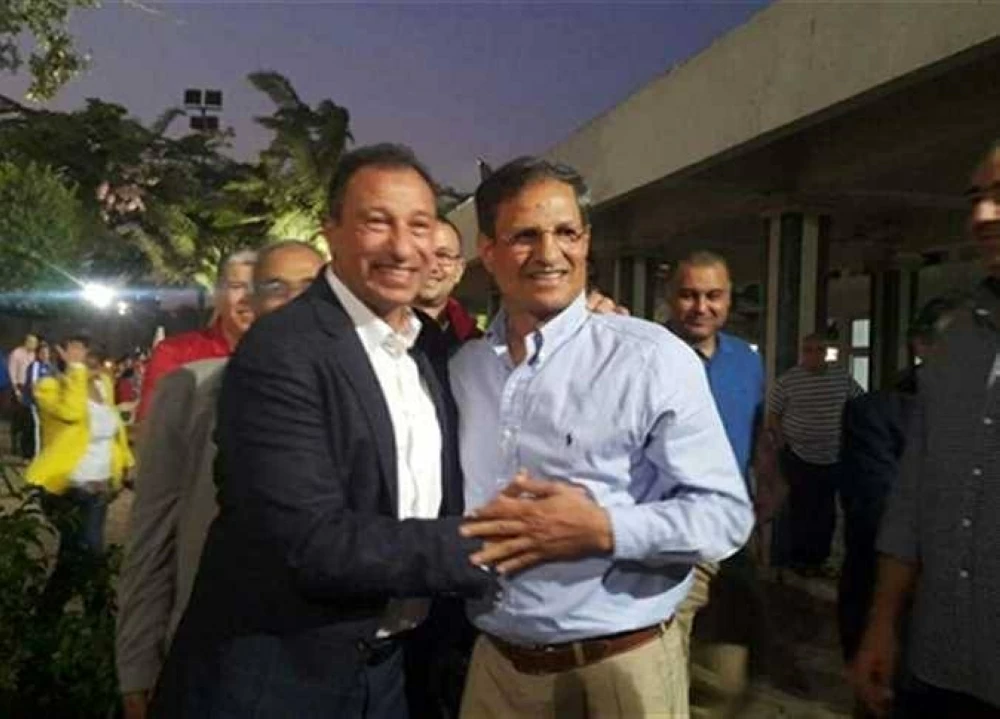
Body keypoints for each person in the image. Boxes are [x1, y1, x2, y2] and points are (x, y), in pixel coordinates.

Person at [150, 144, 494, 718]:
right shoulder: (283, 349)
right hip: (280, 682)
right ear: (330, 231)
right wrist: (496, 545)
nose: (402, 247)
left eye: (419, 225)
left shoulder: (428, 350)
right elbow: (314, 543)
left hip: (390, 676)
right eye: (377, 222)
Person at [453, 157, 753, 718]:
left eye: (566, 232)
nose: (549, 253)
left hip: (620, 668)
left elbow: (726, 518)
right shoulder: (464, 369)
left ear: (587, 242)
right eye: (525, 235)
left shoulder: (650, 358)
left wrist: (604, 529)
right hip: (497, 669)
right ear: (488, 251)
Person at [116, 240, 324, 719]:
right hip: (214, 653)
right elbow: (152, 534)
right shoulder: (192, 386)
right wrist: (137, 663)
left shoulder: (368, 389)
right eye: (275, 287)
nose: (293, 300)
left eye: (309, 287)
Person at [852, 143, 1000, 719]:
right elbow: (912, 500)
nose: (982, 215)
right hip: (939, 670)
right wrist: (883, 624)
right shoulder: (955, 342)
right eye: (977, 198)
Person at [665, 251, 779, 718]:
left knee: (727, 677)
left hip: (729, 538)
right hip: (666, 538)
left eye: (713, 295)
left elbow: (758, 433)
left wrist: (769, 483)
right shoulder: (646, 354)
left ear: (730, 300)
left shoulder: (747, 362)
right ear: (669, 298)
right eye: (689, 295)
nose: (701, 307)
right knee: (663, 671)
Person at [26, 336, 134, 614]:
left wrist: (124, 465)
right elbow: (72, 413)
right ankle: (98, 615)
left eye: (93, 357)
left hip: (99, 489)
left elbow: (114, 431)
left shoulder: (104, 385)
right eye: (83, 358)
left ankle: (46, 615)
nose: (92, 364)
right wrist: (75, 372)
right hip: (66, 487)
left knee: (73, 556)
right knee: (90, 552)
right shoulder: (49, 387)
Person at [767, 333, 863, 576]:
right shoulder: (789, 381)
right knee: (801, 509)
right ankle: (799, 559)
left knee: (826, 511)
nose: (814, 355)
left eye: (819, 350)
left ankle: (820, 558)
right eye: (808, 350)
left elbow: (861, 404)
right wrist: (783, 443)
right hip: (799, 455)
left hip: (833, 456)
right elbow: (773, 414)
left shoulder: (841, 378)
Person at [134, 249, 256, 422]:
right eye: (237, 287)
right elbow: (153, 428)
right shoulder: (177, 354)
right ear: (218, 294)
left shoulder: (289, 355)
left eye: (259, 288)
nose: (249, 297)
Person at [413, 216, 481, 352]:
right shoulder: (374, 332)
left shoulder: (478, 346)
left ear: (459, 270)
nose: (432, 266)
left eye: (443, 256)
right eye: (421, 254)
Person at [8, 333, 38, 458]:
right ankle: (14, 445)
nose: (33, 344)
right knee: (17, 418)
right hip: (19, 386)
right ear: (25, 341)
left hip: (30, 388)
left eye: (35, 342)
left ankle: (25, 447)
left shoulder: (35, 355)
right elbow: (12, 372)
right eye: (31, 342)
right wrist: (16, 390)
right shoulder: (16, 353)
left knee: (27, 419)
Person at [23, 341, 55, 456]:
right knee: (36, 427)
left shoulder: (51, 367)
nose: (45, 355)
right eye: (42, 353)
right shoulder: (35, 366)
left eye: (47, 353)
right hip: (34, 403)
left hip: (47, 405)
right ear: (38, 354)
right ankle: (36, 455)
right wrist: (38, 400)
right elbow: (33, 385)